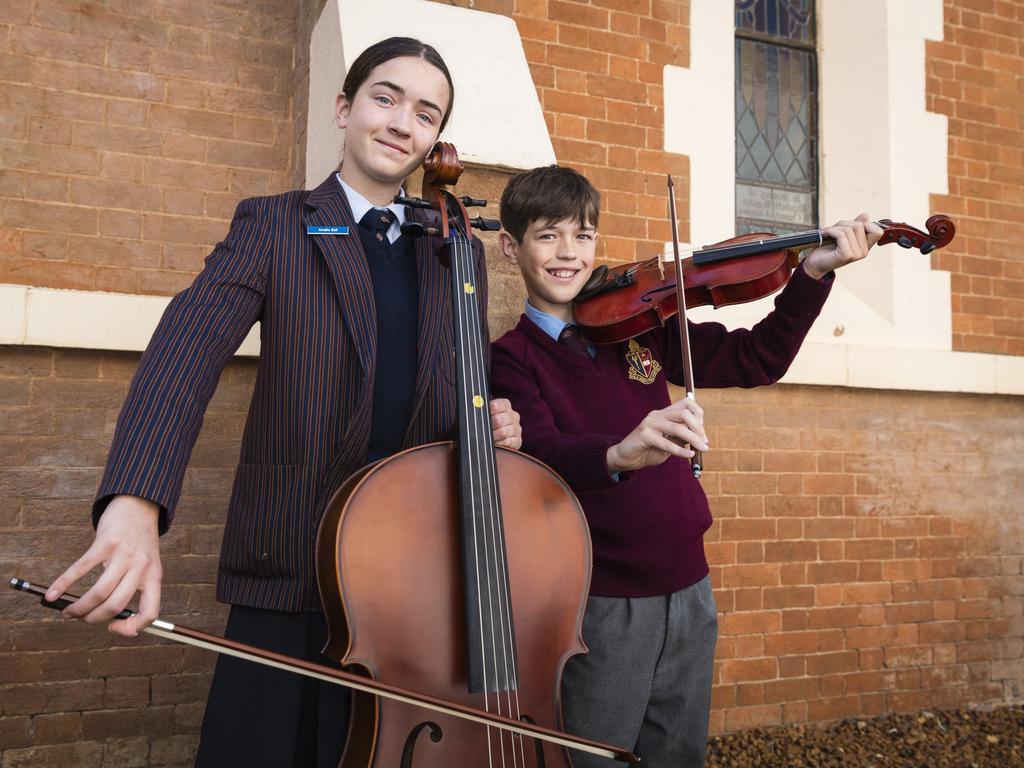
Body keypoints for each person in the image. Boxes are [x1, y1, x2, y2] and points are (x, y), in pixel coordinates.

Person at [45, 37, 521, 767]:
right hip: (295, 555)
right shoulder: (275, 225)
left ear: (435, 141)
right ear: (345, 107)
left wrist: (489, 424)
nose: (402, 123)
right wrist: (134, 503)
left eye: (426, 114)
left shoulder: (454, 251)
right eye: (385, 98)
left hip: (412, 573)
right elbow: (185, 353)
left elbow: (453, 390)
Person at [489, 165, 882, 767]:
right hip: (602, 602)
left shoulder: (640, 327)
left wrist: (811, 273)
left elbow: (757, 359)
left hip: (690, 588)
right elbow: (541, 454)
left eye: (583, 235)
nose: (569, 254)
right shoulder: (511, 359)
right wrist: (619, 453)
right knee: (595, 758)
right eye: (548, 235)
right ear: (510, 245)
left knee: (678, 757)